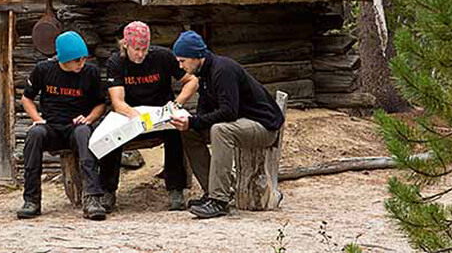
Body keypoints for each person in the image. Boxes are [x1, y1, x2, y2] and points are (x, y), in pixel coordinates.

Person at [168, 30, 285, 219]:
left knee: (220, 130)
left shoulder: (222, 70)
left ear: (197, 56)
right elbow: (206, 112)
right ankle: (211, 192)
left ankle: (219, 200)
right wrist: (190, 122)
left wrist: (194, 120)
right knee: (189, 132)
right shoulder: (203, 74)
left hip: (264, 126)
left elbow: (228, 111)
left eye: (183, 61)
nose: (180, 66)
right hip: (240, 124)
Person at [100, 21, 198, 212]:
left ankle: (175, 189)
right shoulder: (116, 63)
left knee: (176, 131)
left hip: (161, 114)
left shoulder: (162, 56)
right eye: (136, 49)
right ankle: (107, 190)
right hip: (130, 115)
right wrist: (136, 116)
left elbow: (191, 81)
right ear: (125, 45)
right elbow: (117, 101)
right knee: (111, 136)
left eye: (144, 49)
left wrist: (177, 104)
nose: (140, 54)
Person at [18, 31, 108, 221]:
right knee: (34, 135)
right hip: (50, 127)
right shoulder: (43, 70)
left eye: (83, 59)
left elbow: (101, 104)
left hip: (75, 128)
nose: (81, 64)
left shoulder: (90, 73)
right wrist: (37, 119)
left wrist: (89, 118)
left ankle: (92, 199)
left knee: (85, 133)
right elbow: (26, 98)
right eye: (77, 61)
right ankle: (31, 200)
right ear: (64, 58)